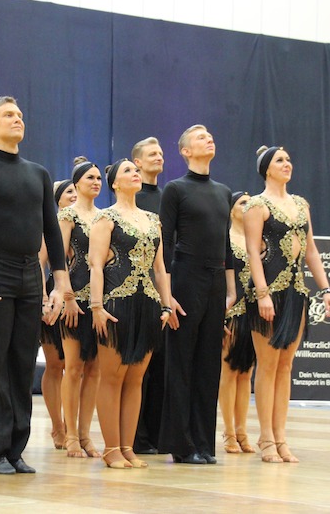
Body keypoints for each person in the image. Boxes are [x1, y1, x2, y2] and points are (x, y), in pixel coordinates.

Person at [0, 96, 74, 475]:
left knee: (23, 364)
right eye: (9, 115)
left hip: (29, 274)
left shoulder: (38, 173)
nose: (17, 119)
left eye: (20, 114)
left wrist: (60, 284)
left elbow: (51, 230)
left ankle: (16, 448)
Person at [244, 145, 330, 463]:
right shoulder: (257, 205)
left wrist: (326, 289)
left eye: (288, 159)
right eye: (280, 160)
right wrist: (262, 293)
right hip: (268, 291)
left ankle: (281, 436)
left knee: (286, 365)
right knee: (268, 364)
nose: (287, 164)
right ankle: (266, 438)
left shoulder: (301, 204)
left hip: (296, 291)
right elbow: (253, 251)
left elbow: (311, 250)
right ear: (266, 169)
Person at [157, 125, 236, 465]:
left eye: (210, 136)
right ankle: (181, 443)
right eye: (201, 137)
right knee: (182, 362)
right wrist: (167, 294)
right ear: (185, 151)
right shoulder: (176, 189)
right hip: (186, 276)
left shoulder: (223, 192)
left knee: (208, 363)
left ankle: (204, 443)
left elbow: (226, 244)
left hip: (216, 280)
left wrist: (231, 291)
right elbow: (165, 242)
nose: (209, 138)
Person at [88, 158, 173, 469]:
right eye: (128, 170)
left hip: (148, 304)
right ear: (114, 183)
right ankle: (111, 448)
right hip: (115, 304)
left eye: (136, 170)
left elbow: (160, 268)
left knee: (135, 378)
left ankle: (127, 447)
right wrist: (96, 307)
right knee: (112, 378)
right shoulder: (106, 218)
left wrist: (166, 305)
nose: (135, 173)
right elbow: (96, 265)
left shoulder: (153, 220)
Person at [58, 158, 102, 458]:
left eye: (98, 178)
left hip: (100, 298)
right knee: (73, 367)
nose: (96, 182)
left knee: (95, 368)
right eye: (90, 178)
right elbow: (59, 259)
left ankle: (86, 434)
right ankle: (70, 434)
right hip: (74, 296)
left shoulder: (105, 217)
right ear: (76, 183)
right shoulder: (67, 215)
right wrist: (67, 296)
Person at [130, 136, 166, 455]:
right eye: (152, 153)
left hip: (164, 289)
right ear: (137, 162)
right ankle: (134, 436)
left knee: (161, 367)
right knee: (137, 367)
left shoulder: (168, 198)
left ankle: (156, 435)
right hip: (136, 291)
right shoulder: (132, 198)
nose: (159, 157)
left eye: (161, 153)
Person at [38, 180, 77, 450]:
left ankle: (74, 426)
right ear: (57, 199)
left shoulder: (92, 222)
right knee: (56, 364)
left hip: (83, 295)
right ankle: (57, 426)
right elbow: (40, 263)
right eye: (68, 192)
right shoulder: (50, 226)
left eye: (75, 190)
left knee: (79, 367)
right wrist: (43, 300)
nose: (73, 195)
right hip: (56, 296)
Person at [218, 191, 257, 455]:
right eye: (243, 202)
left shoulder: (258, 239)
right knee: (229, 371)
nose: (248, 206)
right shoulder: (227, 240)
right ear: (231, 210)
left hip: (254, 314)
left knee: (246, 373)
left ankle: (243, 431)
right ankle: (229, 431)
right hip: (232, 312)